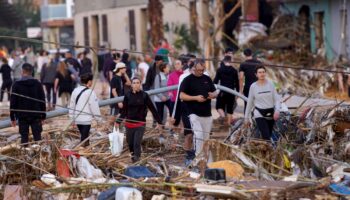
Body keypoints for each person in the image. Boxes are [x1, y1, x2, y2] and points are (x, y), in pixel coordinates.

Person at [115, 77, 162, 162]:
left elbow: (152, 109)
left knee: (137, 143)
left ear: (140, 84)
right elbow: (124, 111)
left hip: (140, 124)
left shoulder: (144, 95)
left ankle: (137, 160)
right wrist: (118, 121)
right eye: (134, 83)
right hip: (129, 124)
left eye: (138, 83)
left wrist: (159, 122)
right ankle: (133, 158)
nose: (136, 84)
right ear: (131, 85)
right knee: (130, 144)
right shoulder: (128, 95)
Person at [180, 59, 217, 159]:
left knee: (206, 138)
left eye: (203, 70)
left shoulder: (207, 78)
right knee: (198, 135)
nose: (201, 72)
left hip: (207, 113)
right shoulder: (187, 80)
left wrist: (213, 95)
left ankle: (206, 159)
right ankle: (198, 158)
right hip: (193, 112)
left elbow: (215, 92)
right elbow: (182, 96)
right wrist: (195, 98)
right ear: (193, 69)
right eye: (199, 70)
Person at [10, 63, 46, 144]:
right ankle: (39, 154)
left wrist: (12, 117)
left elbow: (13, 102)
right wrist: (43, 115)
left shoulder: (16, 84)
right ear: (31, 72)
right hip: (36, 114)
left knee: (24, 138)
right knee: (37, 137)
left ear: (22, 71)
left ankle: (25, 152)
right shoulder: (37, 83)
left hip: (22, 115)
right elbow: (42, 100)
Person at [244, 65, 280, 141]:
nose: (262, 74)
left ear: (265, 73)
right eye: (260, 72)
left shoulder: (271, 84)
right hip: (259, 112)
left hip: (270, 112)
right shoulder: (253, 86)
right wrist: (246, 117)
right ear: (256, 74)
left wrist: (277, 110)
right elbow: (249, 102)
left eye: (263, 72)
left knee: (269, 134)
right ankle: (270, 150)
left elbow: (277, 99)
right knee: (266, 136)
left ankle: (266, 150)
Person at [69, 73, 102, 147]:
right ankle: (81, 153)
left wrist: (72, 118)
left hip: (77, 119)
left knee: (85, 137)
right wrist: (98, 119)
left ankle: (85, 152)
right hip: (86, 120)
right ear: (89, 81)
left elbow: (71, 106)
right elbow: (94, 107)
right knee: (84, 139)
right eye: (91, 81)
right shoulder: (90, 92)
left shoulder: (75, 90)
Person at [213, 55, 239, 125]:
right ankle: (228, 125)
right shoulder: (234, 70)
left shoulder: (220, 69)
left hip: (222, 92)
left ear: (224, 61)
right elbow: (237, 83)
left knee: (218, 106)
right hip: (231, 92)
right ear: (231, 61)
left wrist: (212, 89)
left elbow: (215, 81)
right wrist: (238, 93)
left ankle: (223, 117)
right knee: (230, 110)